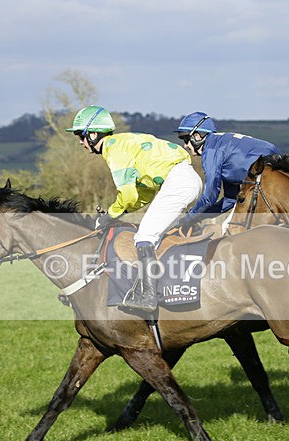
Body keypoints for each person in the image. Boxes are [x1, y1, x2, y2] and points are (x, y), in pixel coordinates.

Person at [66, 105, 202, 313]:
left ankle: (147, 296)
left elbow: (127, 195)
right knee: (154, 233)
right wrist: (119, 212)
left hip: (178, 182)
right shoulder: (124, 143)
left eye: (80, 136)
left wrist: (110, 215)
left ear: (93, 134)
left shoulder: (113, 149)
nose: (80, 142)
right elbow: (142, 195)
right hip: (185, 179)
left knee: (144, 237)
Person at [174, 112, 279, 230]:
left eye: (186, 139)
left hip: (264, 175)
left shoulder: (211, 150)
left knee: (228, 228)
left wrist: (188, 218)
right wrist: (198, 216)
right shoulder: (223, 148)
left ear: (197, 136)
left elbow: (209, 197)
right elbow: (230, 200)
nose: (185, 146)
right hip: (272, 169)